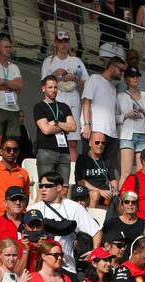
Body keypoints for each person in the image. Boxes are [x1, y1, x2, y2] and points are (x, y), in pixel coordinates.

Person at [29, 171, 102, 282]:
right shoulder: (33, 210)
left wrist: (94, 251)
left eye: (48, 186)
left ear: (58, 187)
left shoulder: (74, 207)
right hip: (41, 266)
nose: (43, 189)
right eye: (41, 186)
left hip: (67, 266)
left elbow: (96, 231)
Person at [40, 31, 88, 162]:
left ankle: (72, 172)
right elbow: (43, 85)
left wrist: (75, 78)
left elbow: (87, 84)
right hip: (57, 99)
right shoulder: (48, 62)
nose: (63, 44)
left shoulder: (76, 61)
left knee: (72, 142)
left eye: (66, 41)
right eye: (60, 41)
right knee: (56, 137)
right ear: (56, 42)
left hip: (72, 99)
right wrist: (54, 76)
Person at [81, 57, 124, 171]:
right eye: (120, 70)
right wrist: (86, 125)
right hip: (95, 131)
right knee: (90, 167)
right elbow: (86, 101)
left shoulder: (113, 87)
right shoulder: (94, 79)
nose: (122, 73)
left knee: (107, 169)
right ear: (112, 67)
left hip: (111, 134)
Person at [33, 74, 76, 186]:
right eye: (50, 87)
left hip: (64, 152)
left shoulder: (64, 106)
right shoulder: (39, 107)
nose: (53, 90)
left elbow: (73, 127)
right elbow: (46, 129)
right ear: (43, 89)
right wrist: (63, 126)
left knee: (64, 187)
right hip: (46, 151)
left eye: (55, 87)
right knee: (45, 187)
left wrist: (56, 123)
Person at [0, 36, 23, 156]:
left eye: (10, 47)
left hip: (14, 109)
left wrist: (4, 81)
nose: (9, 49)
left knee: (12, 143)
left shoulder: (14, 67)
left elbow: (20, 85)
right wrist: (12, 85)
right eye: (6, 47)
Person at [0, 137, 30, 222]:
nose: (11, 152)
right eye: (8, 149)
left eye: (15, 150)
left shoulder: (23, 173)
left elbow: (26, 198)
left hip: (19, 220)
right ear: (1, 152)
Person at [74, 131, 117, 209]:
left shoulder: (107, 159)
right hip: (86, 192)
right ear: (90, 143)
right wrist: (100, 191)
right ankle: (91, 219)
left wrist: (114, 191)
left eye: (103, 143)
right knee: (95, 194)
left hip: (105, 193)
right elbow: (81, 182)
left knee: (122, 198)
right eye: (97, 142)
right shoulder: (82, 159)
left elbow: (113, 180)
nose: (100, 145)